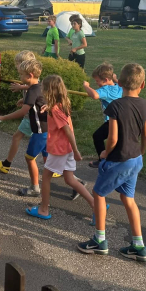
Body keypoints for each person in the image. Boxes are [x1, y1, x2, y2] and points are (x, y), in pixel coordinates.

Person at [77, 63, 146, 261]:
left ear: (120, 82)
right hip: (135, 159)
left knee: (99, 194)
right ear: (142, 84)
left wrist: (105, 153)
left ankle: (99, 240)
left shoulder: (115, 106)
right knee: (128, 199)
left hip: (118, 159)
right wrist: (141, 152)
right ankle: (139, 245)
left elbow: (113, 138)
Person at [26, 75, 95, 219]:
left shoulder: (55, 110)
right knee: (69, 179)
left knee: (46, 178)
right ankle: (96, 205)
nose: (41, 90)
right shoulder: (61, 104)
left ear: (49, 91)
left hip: (59, 150)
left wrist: (76, 150)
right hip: (66, 149)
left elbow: (67, 130)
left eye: (43, 88)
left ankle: (43, 209)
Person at [0, 59, 47, 197]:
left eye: (21, 74)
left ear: (30, 75)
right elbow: (39, 99)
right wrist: (24, 100)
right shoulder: (39, 86)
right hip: (48, 130)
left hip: (40, 132)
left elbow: (23, 112)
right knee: (51, 160)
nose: (19, 77)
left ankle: (35, 188)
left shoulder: (32, 90)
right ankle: (74, 182)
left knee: (30, 158)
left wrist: (3, 117)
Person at [0, 50, 37, 174]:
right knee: (40, 141)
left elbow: (35, 88)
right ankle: (7, 164)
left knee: (22, 139)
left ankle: (7, 164)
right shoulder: (29, 79)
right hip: (32, 117)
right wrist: (24, 99)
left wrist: (3, 117)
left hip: (31, 117)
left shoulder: (30, 82)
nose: (16, 67)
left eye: (17, 64)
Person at [83, 63, 122, 169]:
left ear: (105, 80)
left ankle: (103, 160)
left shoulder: (106, 89)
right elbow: (122, 84)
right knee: (115, 140)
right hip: (121, 120)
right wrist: (115, 79)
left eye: (97, 81)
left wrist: (86, 86)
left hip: (111, 121)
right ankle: (113, 160)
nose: (97, 83)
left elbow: (95, 95)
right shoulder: (118, 87)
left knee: (97, 136)